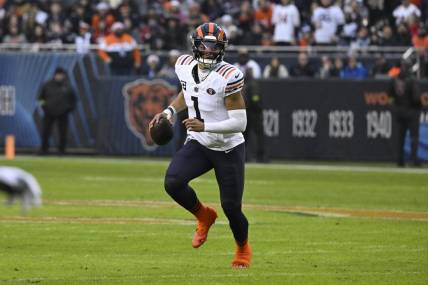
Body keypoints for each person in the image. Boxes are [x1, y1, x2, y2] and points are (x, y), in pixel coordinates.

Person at [149, 22, 252, 268]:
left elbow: (240, 122)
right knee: (173, 182)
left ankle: (242, 248)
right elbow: (188, 91)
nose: (208, 51)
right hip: (200, 142)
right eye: (204, 46)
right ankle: (204, 215)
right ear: (195, 47)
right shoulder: (184, 65)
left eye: (214, 47)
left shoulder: (228, 76)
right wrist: (170, 110)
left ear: (222, 49)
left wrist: (204, 126)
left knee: (232, 208)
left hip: (227, 146)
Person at [387, 60, 422, 167]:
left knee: (400, 138)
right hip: (411, 112)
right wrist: (418, 107)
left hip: (399, 112)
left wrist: (394, 108)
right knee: (414, 137)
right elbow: (416, 98)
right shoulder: (412, 80)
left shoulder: (394, 80)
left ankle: (400, 160)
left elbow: (389, 96)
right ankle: (414, 159)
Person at [38, 67, 77, 155]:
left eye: (61, 75)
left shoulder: (68, 86)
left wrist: (68, 109)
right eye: (58, 74)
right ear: (55, 75)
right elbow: (40, 98)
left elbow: (73, 100)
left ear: (63, 76)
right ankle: (44, 150)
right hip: (49, 113)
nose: (59, 76)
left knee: (63, 133)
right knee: (46, 132)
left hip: (63, 114)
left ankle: (62, 151)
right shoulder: (47, 85)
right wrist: (45, 107)